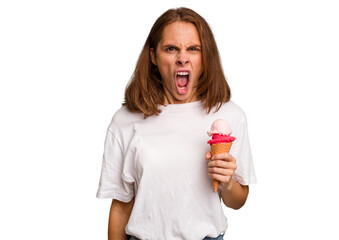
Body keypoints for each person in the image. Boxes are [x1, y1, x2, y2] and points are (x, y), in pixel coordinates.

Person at [96, 7, 256, 240]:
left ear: (205, 57)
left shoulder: (231, 115)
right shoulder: (125, 120)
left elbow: (238, 200)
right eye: (171, 49)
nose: (182, 57)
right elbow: (121, 207)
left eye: (193, 49)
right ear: (153, 56)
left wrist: (227, 183)